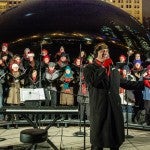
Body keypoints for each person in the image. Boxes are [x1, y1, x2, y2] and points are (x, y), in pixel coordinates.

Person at [83, 43, 147, 150]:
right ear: (96, 54)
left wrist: (144, 83)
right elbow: (94, 82)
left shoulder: (113, 69)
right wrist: (104, 67)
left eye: (107, 51)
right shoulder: (89, 68)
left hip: (114, 107)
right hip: (100, 107)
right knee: (98, 141)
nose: (105, 53)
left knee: (115, 139)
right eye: (102, 51)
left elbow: (124, 83)